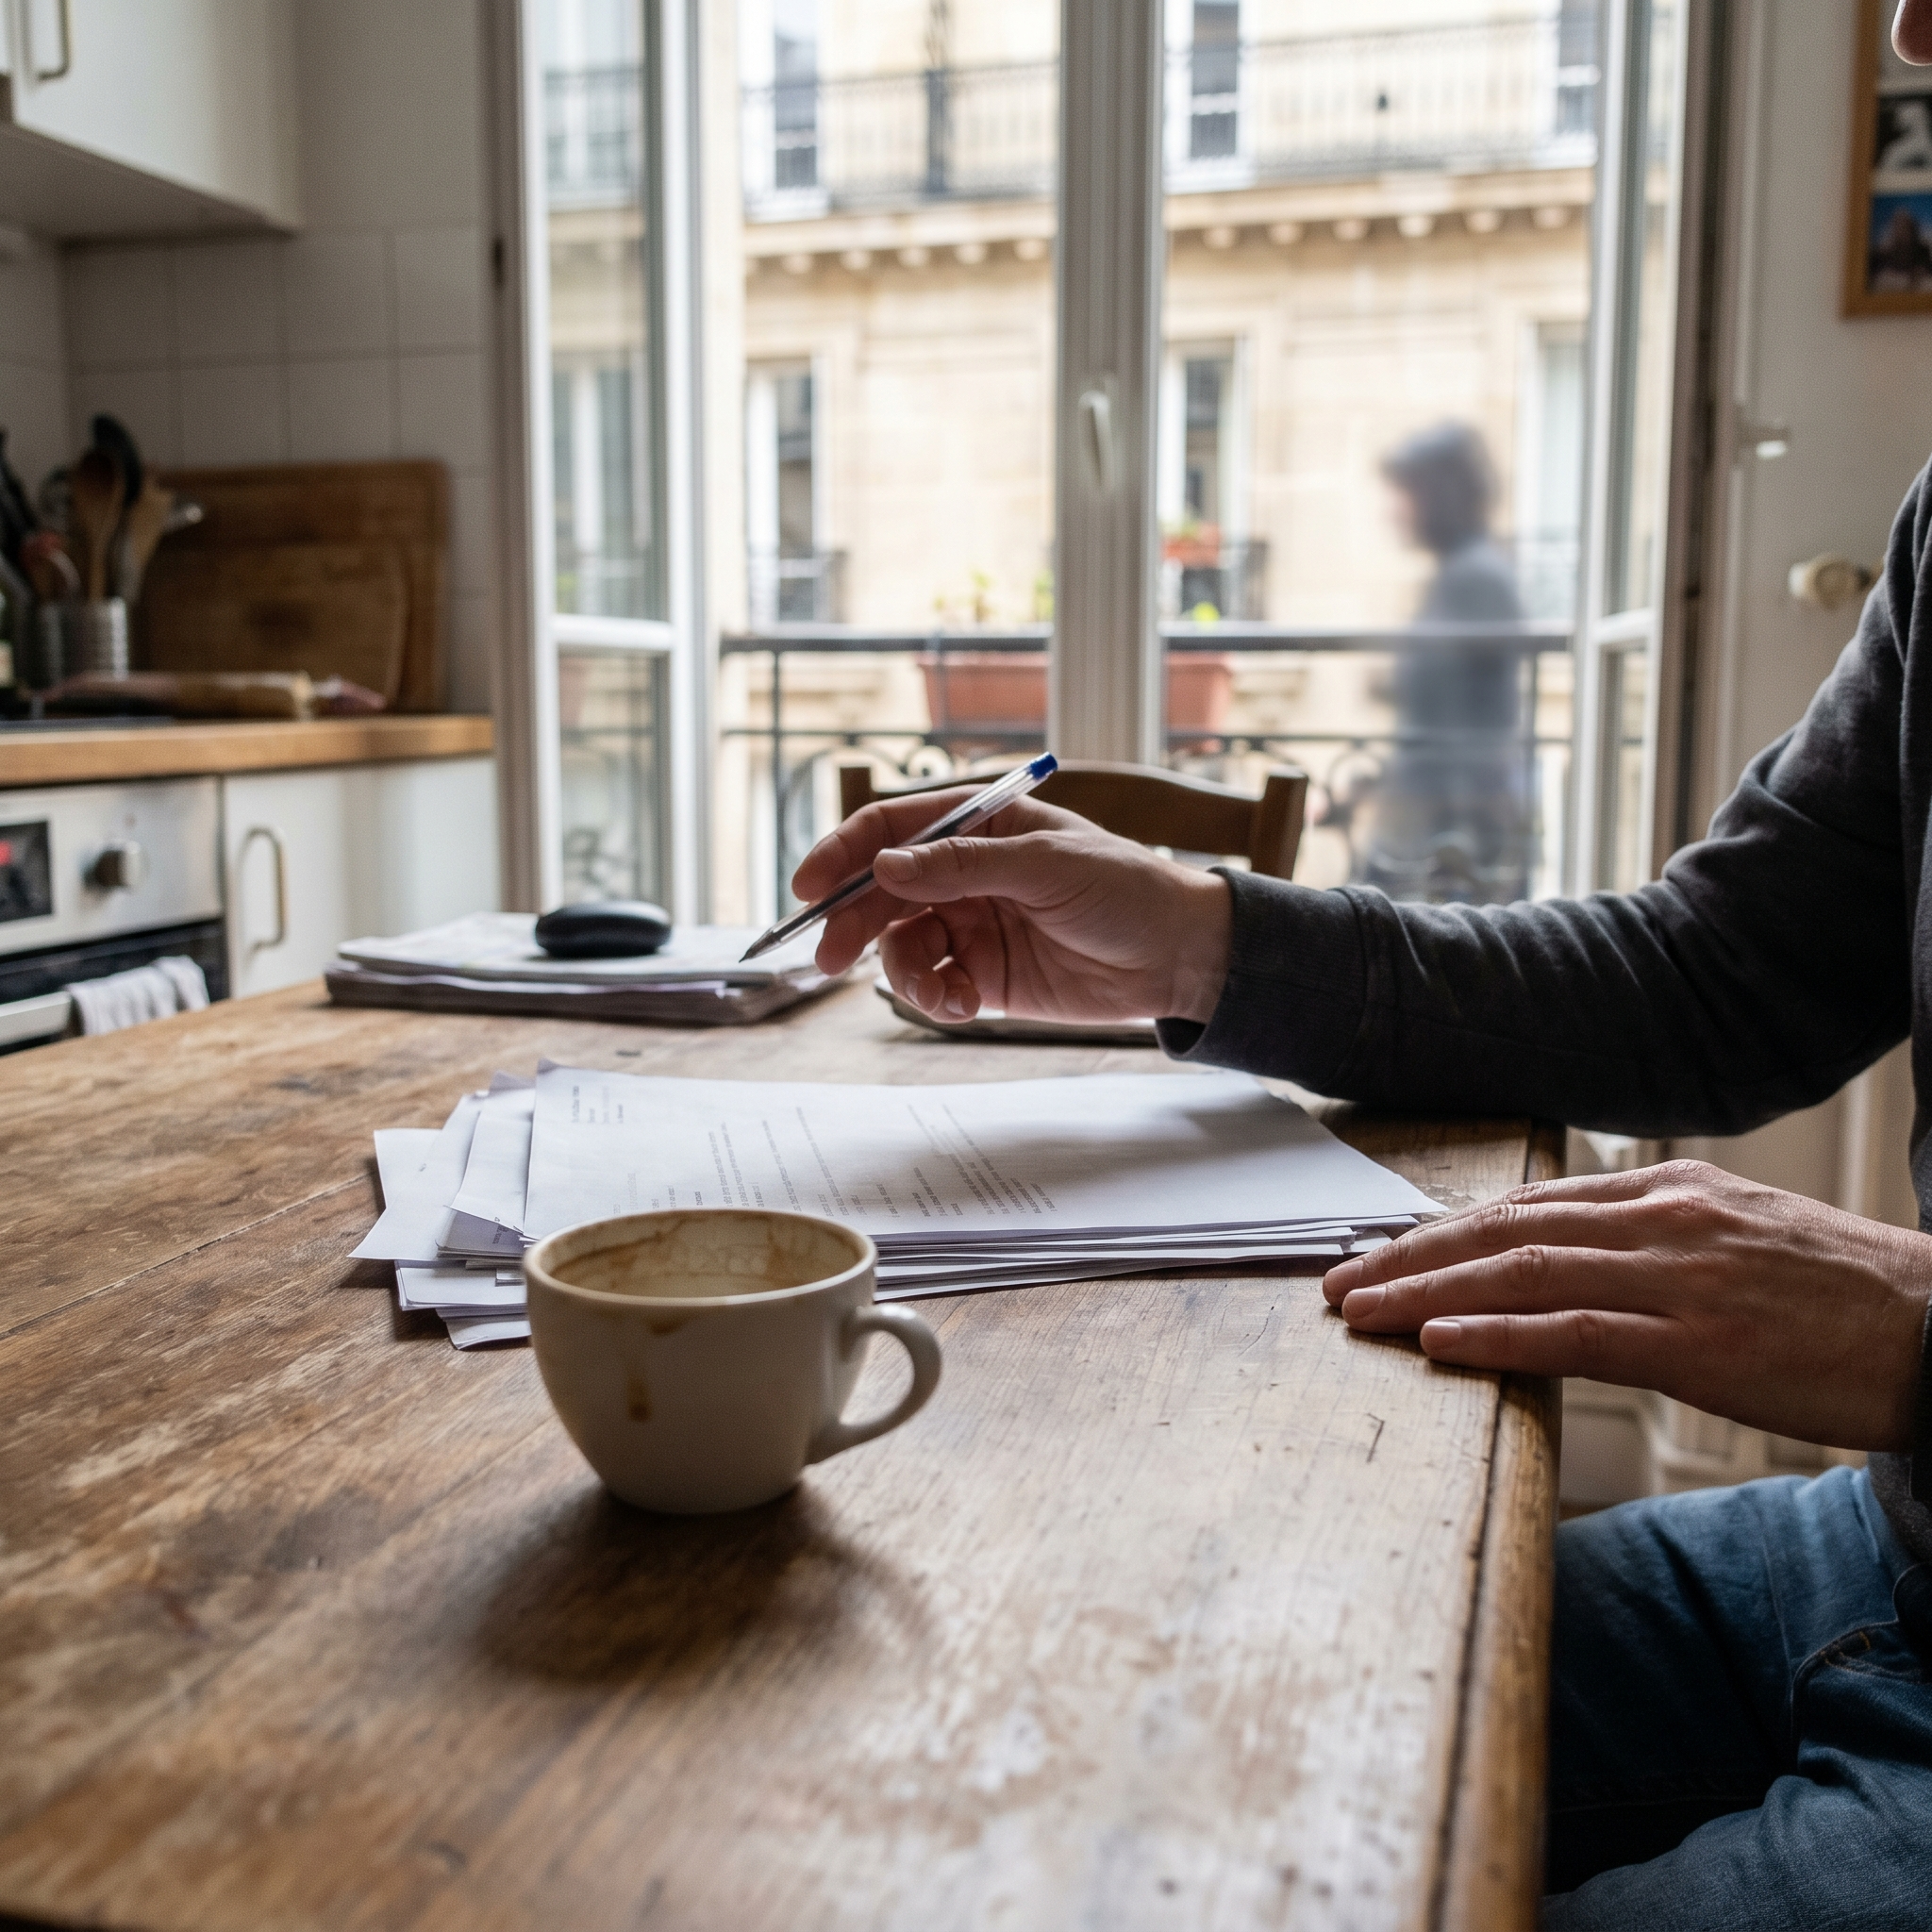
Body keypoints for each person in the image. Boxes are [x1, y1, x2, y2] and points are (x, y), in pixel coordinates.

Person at [790, 18, 1932, 1916]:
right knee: (1132, 1741)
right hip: (1878, 1558)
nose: (1904, 26)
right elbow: (1711, 978)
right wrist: (1198, 935)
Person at [1367, 423, 1533, 903]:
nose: (1395, 510)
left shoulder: (1476, 577)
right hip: (1442, 817)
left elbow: (1455, 710)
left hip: (1455, 828)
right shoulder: (1464, 573)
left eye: (1407, 493)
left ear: (1438, 495)